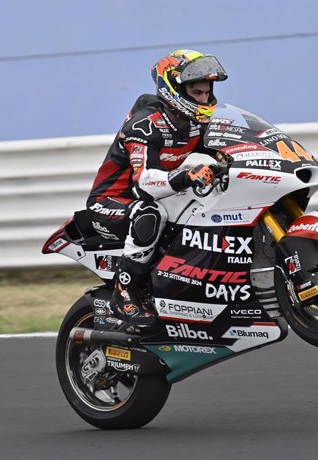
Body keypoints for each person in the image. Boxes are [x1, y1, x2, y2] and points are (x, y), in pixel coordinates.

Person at [86, 49, 228, 327]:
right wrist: (186, 176)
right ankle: (123, 293)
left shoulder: (193, 124)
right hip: (111, 200)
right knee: (150, 213)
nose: (204, 99)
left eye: (206, 93)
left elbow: (223, 146)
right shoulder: (145, 126)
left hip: (150, 195)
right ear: (173, 89)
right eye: (195, 92)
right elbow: (145, 184)